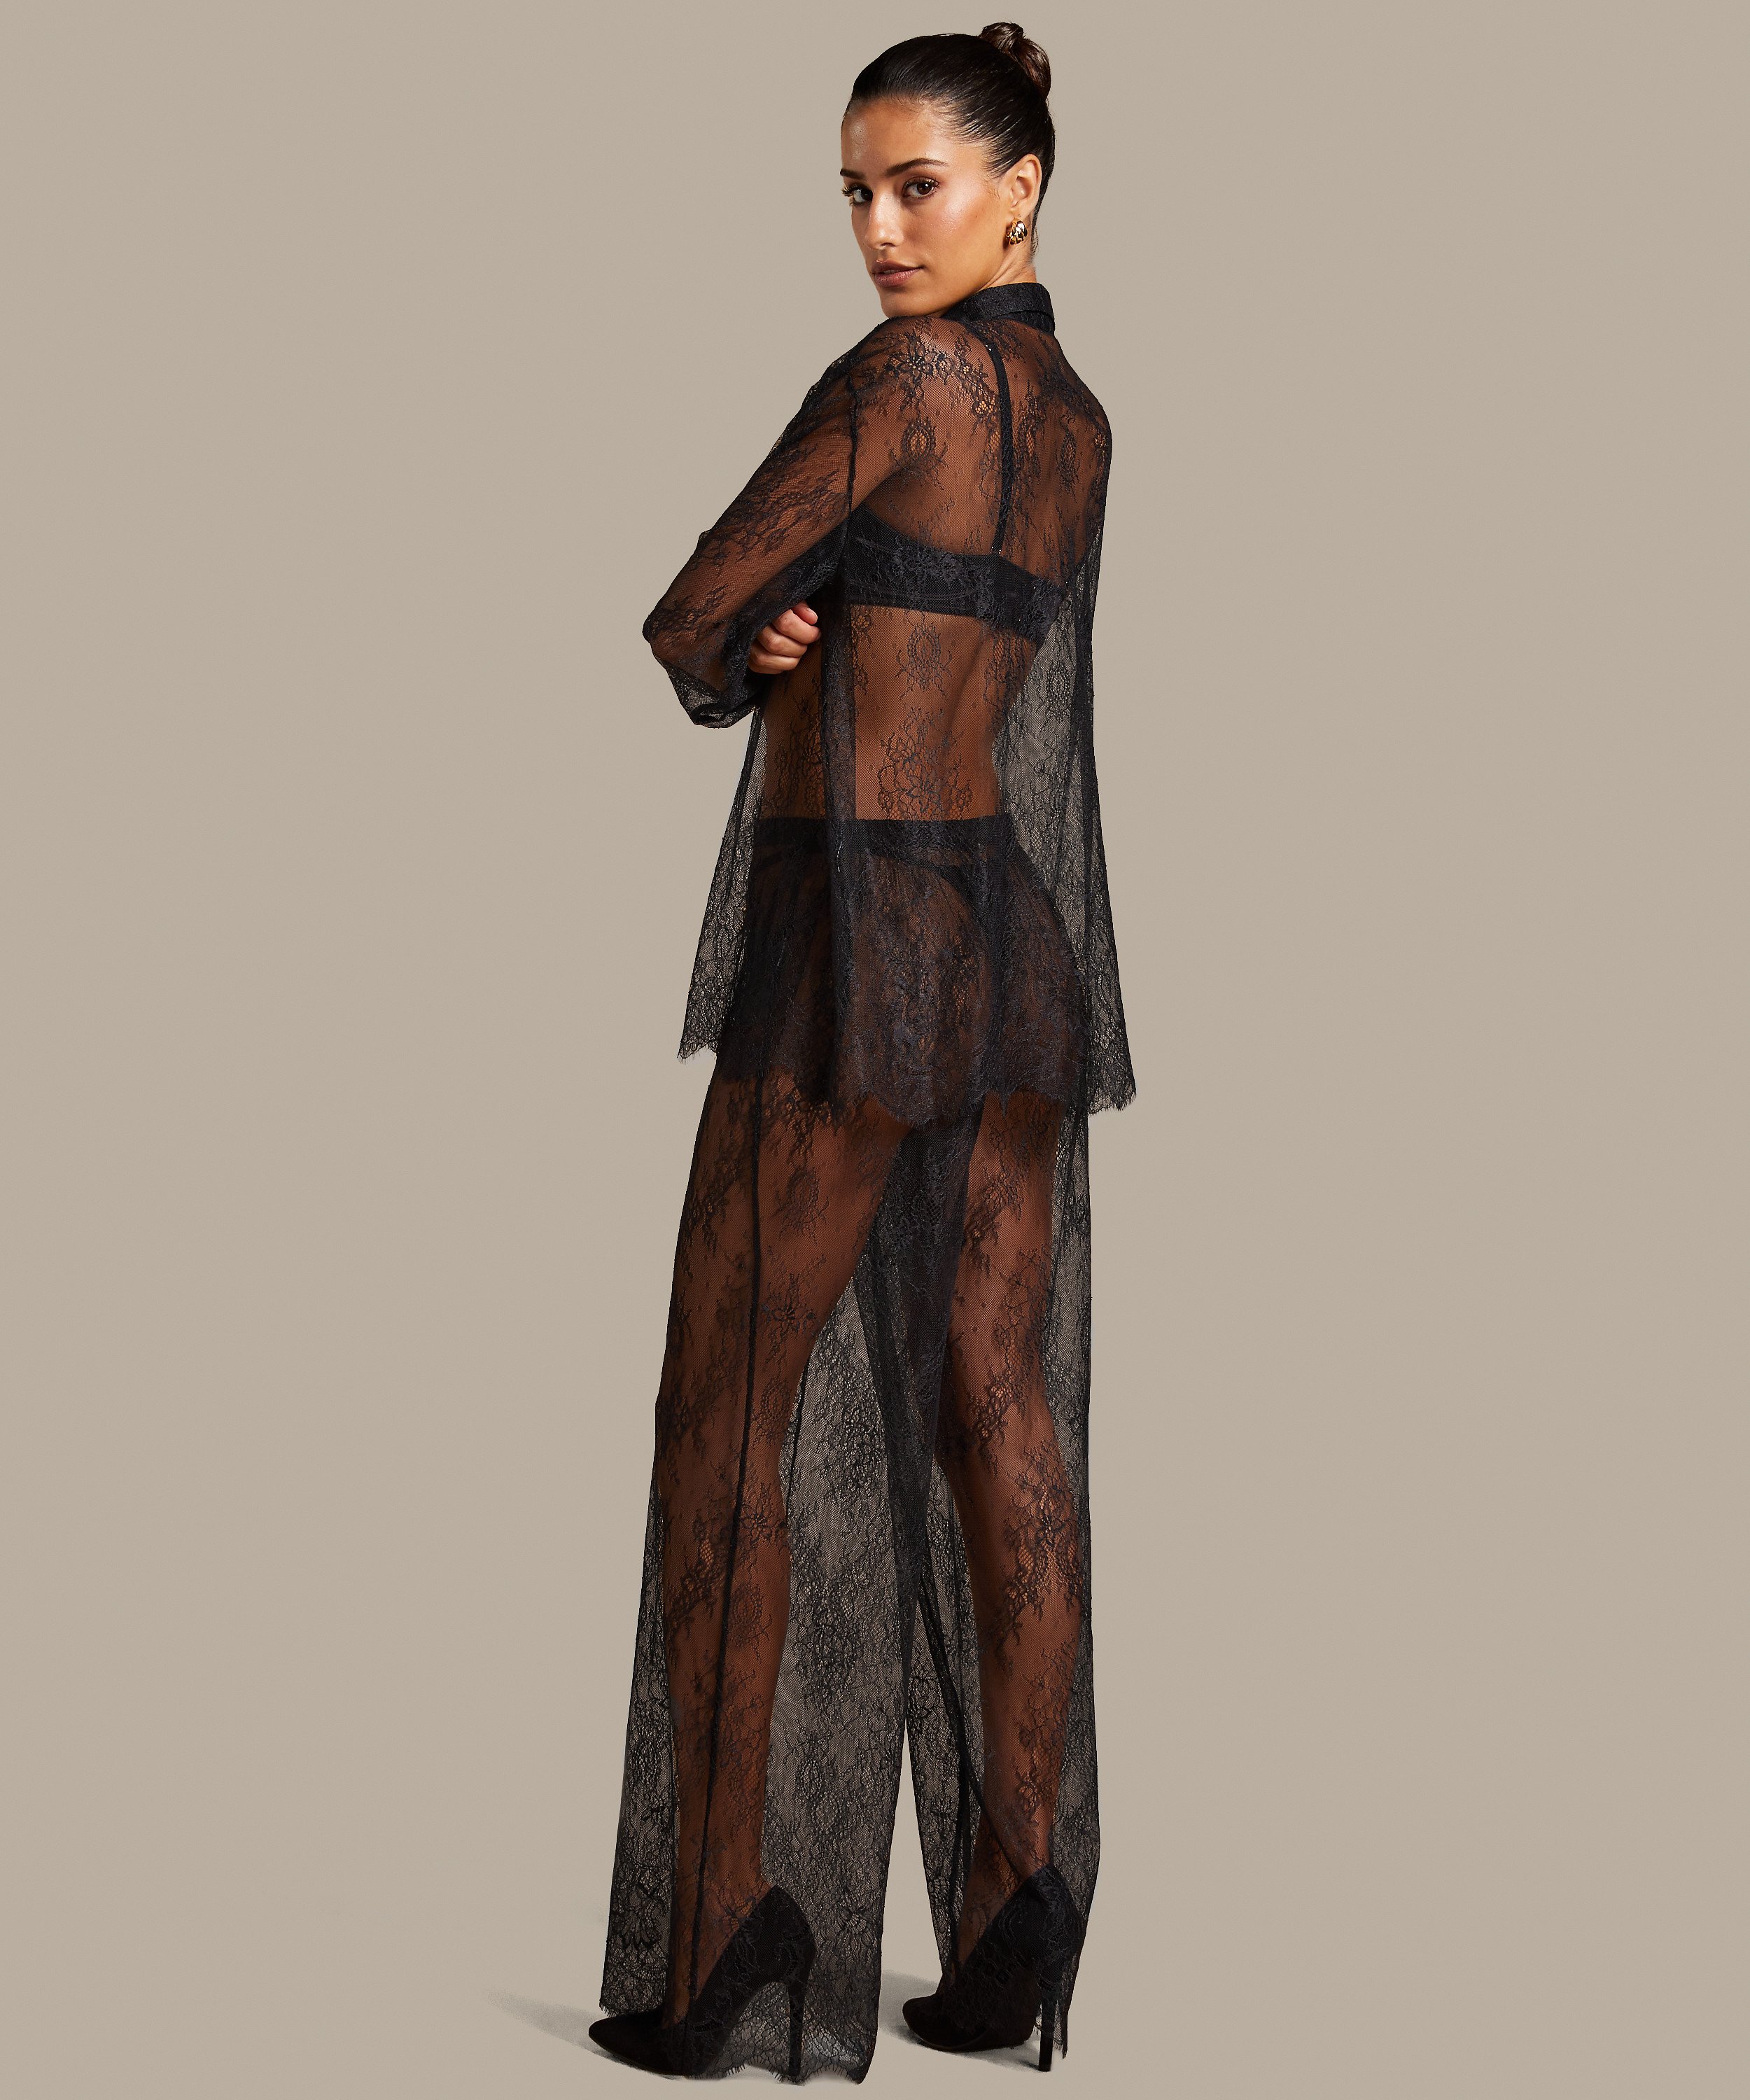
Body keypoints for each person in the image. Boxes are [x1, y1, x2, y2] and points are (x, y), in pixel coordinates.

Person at [589, 23, 1135, 2082]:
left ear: (1021, 188)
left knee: (726, 1410)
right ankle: (1018, 1897)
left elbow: (689, 615)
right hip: (1006, 932)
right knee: (1001, 1408)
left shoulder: (900, 381)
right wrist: (803, 624)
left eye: (918, 185)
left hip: (854, 934)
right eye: (853, 192)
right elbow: (968, 641)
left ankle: (725, 1929)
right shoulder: (1076, 418)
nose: (881, 230)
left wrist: (762, 633)